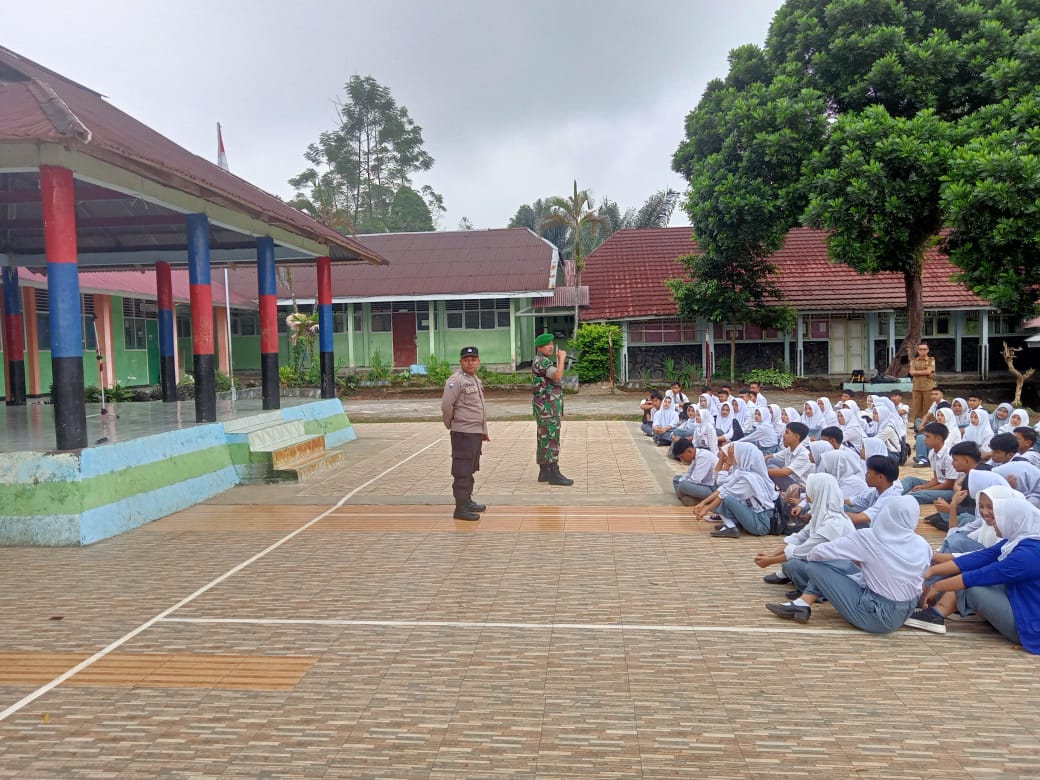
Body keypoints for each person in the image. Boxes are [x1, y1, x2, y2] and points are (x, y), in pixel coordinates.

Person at [765, 496, 932, 632]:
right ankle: (802, 603)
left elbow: (816, 553)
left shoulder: (869, 537)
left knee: (816, 566)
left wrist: (852, 561)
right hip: (907, 609)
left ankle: (803, 603)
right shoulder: (922, 544)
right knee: (847, 563)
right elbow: (923, 581)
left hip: (877, 617)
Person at [921, 495, 1040, 654]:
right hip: (1022, 602)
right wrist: (931, 571)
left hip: (1031, 627)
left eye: (998, 516)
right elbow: (979, 558)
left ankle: (934, 616)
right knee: (969, 577)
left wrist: (937, 585)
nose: (992, 521)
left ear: (1014, 520)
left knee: (973, 587)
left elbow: (980, 575)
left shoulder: (1028, 554)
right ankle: (935, 612)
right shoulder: (1019, 540)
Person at [756, 473, 857, 595]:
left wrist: (770, 561)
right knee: (791, 560)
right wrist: (770, 555)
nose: (807, 493)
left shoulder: (833, 524)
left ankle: (816, 592)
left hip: (840, 571)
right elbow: (799, 537)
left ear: (817, 491)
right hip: (827, 564)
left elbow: (803, 551)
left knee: (793, 564)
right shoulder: (821, 515)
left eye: (809, 489)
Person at [441, 345, 489, 521]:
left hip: (475, 433)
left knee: (470, 468)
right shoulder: (456, 381)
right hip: (463, 433)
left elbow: (479, 408)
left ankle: (467, 500)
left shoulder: (475, 379)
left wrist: (483, 431)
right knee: (462, 470)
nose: (470, 363)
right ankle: (460, 508)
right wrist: (452, 425)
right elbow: (446, 406)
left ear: (478, 361)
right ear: (461, 362)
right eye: (466, 360)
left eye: (473, 360)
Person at [691, 441, 779, 538]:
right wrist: (703, 503)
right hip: (755, 516)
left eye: (734, 454)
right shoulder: (741, 472)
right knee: (722, 498)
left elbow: (724, 494)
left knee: (727, 499)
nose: (731, 456)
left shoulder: (749, 479)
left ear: (742, 456)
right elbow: (721, 485)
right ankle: (732, 524)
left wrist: (706, 509)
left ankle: (731, 527)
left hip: (760, 524)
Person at [532, 332, 573, 486]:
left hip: (543, 406)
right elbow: (557, 375)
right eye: (547, 344)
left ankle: (544, 471)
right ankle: (554, 473)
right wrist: (562, 359)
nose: (551, 346)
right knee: (551, 438)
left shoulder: (541, 361)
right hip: (547, 408)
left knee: (543, 437)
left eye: (551, 344)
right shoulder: (542, 362)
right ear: (539, 347)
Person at [901, 422, 958, 505]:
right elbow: (936, 479)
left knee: (920, 494)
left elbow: (949, 484)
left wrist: (926, 489)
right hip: (940, 484)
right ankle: (892, 493)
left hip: (951, 490)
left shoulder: (949, 457)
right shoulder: (932, 453)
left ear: (938, 438)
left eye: (928, 436)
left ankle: (899, 500)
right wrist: (923, 486)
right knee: (910, 480)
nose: (924, 439)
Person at [845, 454, 903, 528]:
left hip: (881, 536)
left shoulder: (890, 498)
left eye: (868, 472)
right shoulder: (877, 491)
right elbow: (853, 501)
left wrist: (833, 517)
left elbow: (859, 518)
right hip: (874, 529)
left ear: (880, 477)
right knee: (842, 507)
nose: (865, 475)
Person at [673, 438, 719, 506]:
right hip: (703, 484)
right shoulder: (696, 456)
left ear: (689, 451)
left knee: (683, 485)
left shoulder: (703, 456)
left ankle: (702, 499)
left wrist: (682, 486)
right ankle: (694, 498)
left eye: (682, 456)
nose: (681, 459)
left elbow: (695, 480)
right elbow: (688, 474)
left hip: (712, 488)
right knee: (676, 479)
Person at [909, 342, 937, 428]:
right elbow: (911, 372)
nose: (922, 351)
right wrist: (923, 372)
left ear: (928, 350)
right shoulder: (913, 361)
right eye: (920, 349)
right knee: (916, 408)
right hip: (916, 387)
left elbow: (929, 371)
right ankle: (917, 425)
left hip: (928, 387)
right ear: (918, 350)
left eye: (924, 349)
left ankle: (930, 425)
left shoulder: (931, 360)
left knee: (928, 407)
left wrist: (917, 372)